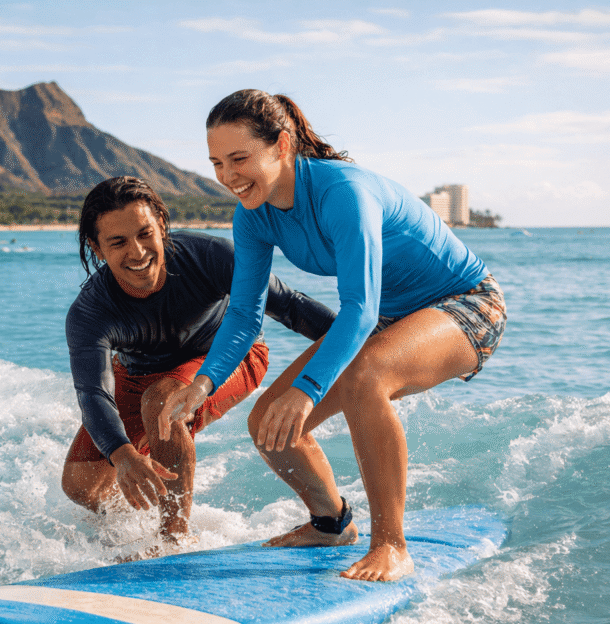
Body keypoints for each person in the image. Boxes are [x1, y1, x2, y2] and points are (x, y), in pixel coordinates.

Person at [159, 89, 506, 582]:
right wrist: (204, 383)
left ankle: (392, 545)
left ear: (281, 145)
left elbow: (360, 310)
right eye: (216, 163)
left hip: (465, 302)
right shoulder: (252, 217)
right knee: (269, 426)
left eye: (239, 158)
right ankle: (332, 523)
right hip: (389, 317)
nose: (228, 176)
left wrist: (308, 390)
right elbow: (243, 315)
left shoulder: (344, 191)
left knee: (365, 376)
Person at [63, 176, 336, 553]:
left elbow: (289, 305)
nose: (138, 252)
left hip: (227, 357)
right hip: (139, 372)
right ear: (97, 248)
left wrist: (360, 344)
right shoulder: (91, 311)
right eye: (118, 242)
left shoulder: (209, 256)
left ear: (161, 223)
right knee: (81, 484)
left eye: (145, 234)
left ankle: (174, 538)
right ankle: (141, 517)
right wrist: (123, 456)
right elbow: (93, 392)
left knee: (162, 403)